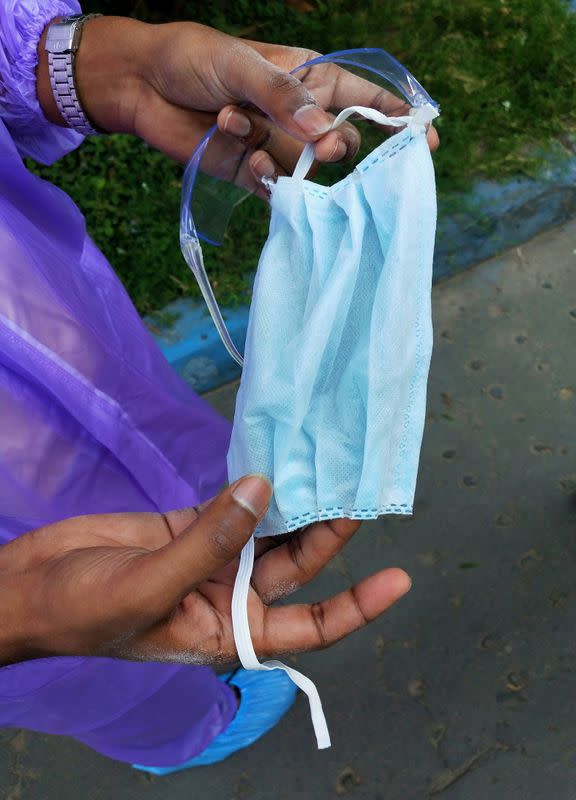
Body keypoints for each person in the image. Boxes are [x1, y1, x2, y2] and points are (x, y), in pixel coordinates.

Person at [0, 2, 437, 771]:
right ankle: (175, 729)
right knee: (85, 656)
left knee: (177, 474)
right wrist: (19, 617)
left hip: (27, 292)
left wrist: (101, 67)